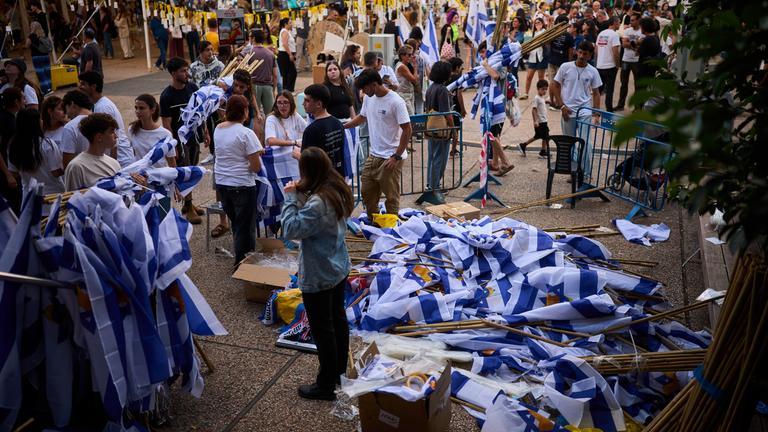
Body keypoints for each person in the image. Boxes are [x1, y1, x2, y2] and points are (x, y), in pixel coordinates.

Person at [280, 147, 352, 401]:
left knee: (324, 329)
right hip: (337, 266)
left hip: (320, 273)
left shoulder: (319, 201)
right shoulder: (336, 186)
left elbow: (291, 228)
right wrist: (300, 191)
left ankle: (325, 384)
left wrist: (290, 197)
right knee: (337, 321)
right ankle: (339, 373)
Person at [345, 70, 412, 216]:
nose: (362, 92)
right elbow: (362, 117)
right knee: (367, 191)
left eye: (364, 88)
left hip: (391, 156)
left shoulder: (396, 102)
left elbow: (407, 130)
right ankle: (374, 220)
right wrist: (344, 126)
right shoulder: (369, 98)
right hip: (374, 154)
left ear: (374, 85)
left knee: (391, 195)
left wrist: (396, 156)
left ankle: (391, 226)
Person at [213, 94, 263, 266]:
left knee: (237, 223)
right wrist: (254, 156)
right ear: (245, 111)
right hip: (241, 184)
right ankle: (243, 264)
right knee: (245, 228)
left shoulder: (218, 128)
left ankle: (241, 259)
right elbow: (256, 167)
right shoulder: (246, 133)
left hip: (222, 184)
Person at [160, 57, 209, 224]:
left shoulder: (192, 88)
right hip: (180, 141)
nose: (187, 73)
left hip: (194, 137)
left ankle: (189, 205)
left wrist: (206, 132)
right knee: (186, 172)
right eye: (183, 71)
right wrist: (173, 146)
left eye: (187, 70)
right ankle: (188, 207)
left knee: (193, 169)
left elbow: (200, 112)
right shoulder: (166, 96)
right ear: (173, 73)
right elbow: (166, 124)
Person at [552, 41, 602, 177]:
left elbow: (596, 93)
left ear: (590, 56)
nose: (581, 56)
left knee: (585, 142)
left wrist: (596, 114)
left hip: (585, 110)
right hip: (567, 110)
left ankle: (585, 173)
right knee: (570, 143)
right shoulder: (565, 67)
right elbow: (554, 85)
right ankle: (574, 172)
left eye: (584, 54)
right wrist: (561, 105)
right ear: (576, 52)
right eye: (579, 52)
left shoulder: (593, 71)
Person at [261, 90, 307, 230]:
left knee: (296, 194)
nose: (282, 106)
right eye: (279, 102)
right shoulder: (271, 119)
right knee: (280, 195)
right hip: (277, 165)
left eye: (286, 102)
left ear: (291, 104)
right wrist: (293, 142)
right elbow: (271, 140)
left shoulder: (295, 116)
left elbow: (308, 130)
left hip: (292, 164)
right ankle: (277, 224)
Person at [7, 108, 65, 208]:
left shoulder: (13, 145)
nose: (42, 122)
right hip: (52, 198)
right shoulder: (47, 144)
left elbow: (14, 173)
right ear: (35, 123)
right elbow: (55, 172)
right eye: (40, 119)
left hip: (29, 199)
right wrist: (67, 163)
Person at [78, 71, 133, 166]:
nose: (80, 86)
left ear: (93, 87)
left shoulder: (102, 107)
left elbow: (113, 139)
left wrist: (110, 165)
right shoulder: (97, 105)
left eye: (83, 84)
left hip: (120, 161)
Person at [423, 61, 458, 204]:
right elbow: (446, 112)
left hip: (431, 126)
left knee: (431, 156)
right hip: (441, 127)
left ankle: (430, 185)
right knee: (440, 157)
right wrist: (453, 128)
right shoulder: (442, 89)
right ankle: (435, 186)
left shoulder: (431, 88)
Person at [477, 41, 514, 175]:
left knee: (491, 134)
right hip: (488, 104)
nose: (482, 55)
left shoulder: (500, 63)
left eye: (483, 51)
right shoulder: (487, 64)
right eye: (480, 52)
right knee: (494, 134)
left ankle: (506, 162)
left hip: (498, 105)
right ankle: (495, 163)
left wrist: (485, 65)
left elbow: (495, 75)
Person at [63, 113, 120, 191]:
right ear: (99, 137)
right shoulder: (77, 167)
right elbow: (73, 199)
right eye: (111, 132)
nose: (116, 136)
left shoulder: (114, 164)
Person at [300, 84, 346, 176]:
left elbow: (307, 161)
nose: (303, 104)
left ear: (319, 104)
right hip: (337, 176)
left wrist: (297, 155)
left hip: (321, 180)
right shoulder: (338, 123)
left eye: (307, 100)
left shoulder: (311, 130)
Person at [128, 94, 177, 168]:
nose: (137, 111)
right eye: (136, 108)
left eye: (141, 108)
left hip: (159, 176)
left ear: (152, 110)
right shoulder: (132, 129)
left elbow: (172, 163)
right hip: (139, 177)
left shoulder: (165, 134)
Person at [0, 88, 23, 213]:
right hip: (6, 172)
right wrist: (8, 175)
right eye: (23, 98)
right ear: (16, 101)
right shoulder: (6, 120)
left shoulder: (11, 118)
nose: (25, 101)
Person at [247, 29, 278, 117]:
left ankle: (257, 131)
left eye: (250, 37)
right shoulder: (270, 54)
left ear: (253, 39)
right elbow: (275, 75)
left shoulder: (250, 53)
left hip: (254, 87)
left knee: (255, 115)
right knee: (270, 115)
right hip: (268, 86)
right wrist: (273, 89)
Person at [60, 89, 94, 168]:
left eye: (66, 109)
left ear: (72, 104)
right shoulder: (104, 119)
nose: (67, 115)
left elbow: (67, 165)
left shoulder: (70, 127)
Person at [517, 79, 551, 158]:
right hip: (540, 122)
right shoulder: (537, 98)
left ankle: (523, 145)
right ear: (538, 89)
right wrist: (535, 121)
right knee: (546, 137)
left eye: (546, 89)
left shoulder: (541, 97)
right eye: (543, 89)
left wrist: (546, 102)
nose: (545, 91)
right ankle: (543, 152)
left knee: (538, 136)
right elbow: (534, 110)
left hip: (543, 121)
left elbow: (541, 104)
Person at [616, 13, 642, 111]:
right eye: (630, 20)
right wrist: (635, 46)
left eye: (633, 20)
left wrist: (630, 44)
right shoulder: (627, 30)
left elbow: (640, 45)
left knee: (638, 85)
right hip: (626, 59)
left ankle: (637, 107)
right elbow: (624, 44)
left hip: (636, 61)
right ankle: (620, 105)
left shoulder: (642, 31)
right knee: (623, 84)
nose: (630, 22)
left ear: (638, 21)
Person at [547, 14, 574, 108]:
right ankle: (558, 102)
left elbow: (547, 45)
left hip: (552, 61)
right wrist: (570, 63)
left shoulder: (553, 34)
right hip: (562, 63)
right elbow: (571, 51)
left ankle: (552, 101)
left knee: (552, 82)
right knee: (558, 84)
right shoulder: (569, 36)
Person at [595, 17, 620, 112]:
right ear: (614, 23)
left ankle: (594, 109)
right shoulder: (614, 35)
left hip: (600, 65)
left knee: (598, 90)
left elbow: (596, 51)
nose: (619, 25)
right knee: (609, 90)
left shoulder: (601, 33)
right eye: (618, 23)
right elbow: (615, 52)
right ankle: (609, 110)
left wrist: (600, 60)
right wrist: (617, 65)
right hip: (610, 66)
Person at [521, 18, 548, 100]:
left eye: (539, 22)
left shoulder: (544, 31)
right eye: (535, 23)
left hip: (541, 57)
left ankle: (541, 94)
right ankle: (526, 93)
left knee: (541, 78)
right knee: (529, 76)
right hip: (533, 56)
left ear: (542, 23)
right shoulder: (531, 33)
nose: (537, 24)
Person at [635, 17, 662, 84]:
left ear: (644, 28)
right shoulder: (656, 37)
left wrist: (637, 43)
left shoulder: (647, 39)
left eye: (641, 27)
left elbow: (637, 53)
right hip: (651, 69)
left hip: (644, 70)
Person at [394, 45, 418, 115]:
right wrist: (415, 67)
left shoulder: (404, 65)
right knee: (411, 118)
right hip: (404, 95)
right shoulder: (402, 67)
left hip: (408, 94)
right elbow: (414, 80)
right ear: (402, 56)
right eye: (409, 55)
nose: (412, 57)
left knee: (412, 116)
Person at [277, 18, 297, 92]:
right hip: (285, 54)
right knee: (292, 72)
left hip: (286, 54)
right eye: (290, 23)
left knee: (287, 73)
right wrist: (290, 54)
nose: (291, 24)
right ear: (286, 24)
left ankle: (286, 89)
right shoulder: (284, 31)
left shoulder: (287, 31)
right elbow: (285, 44)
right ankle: (289, 89)